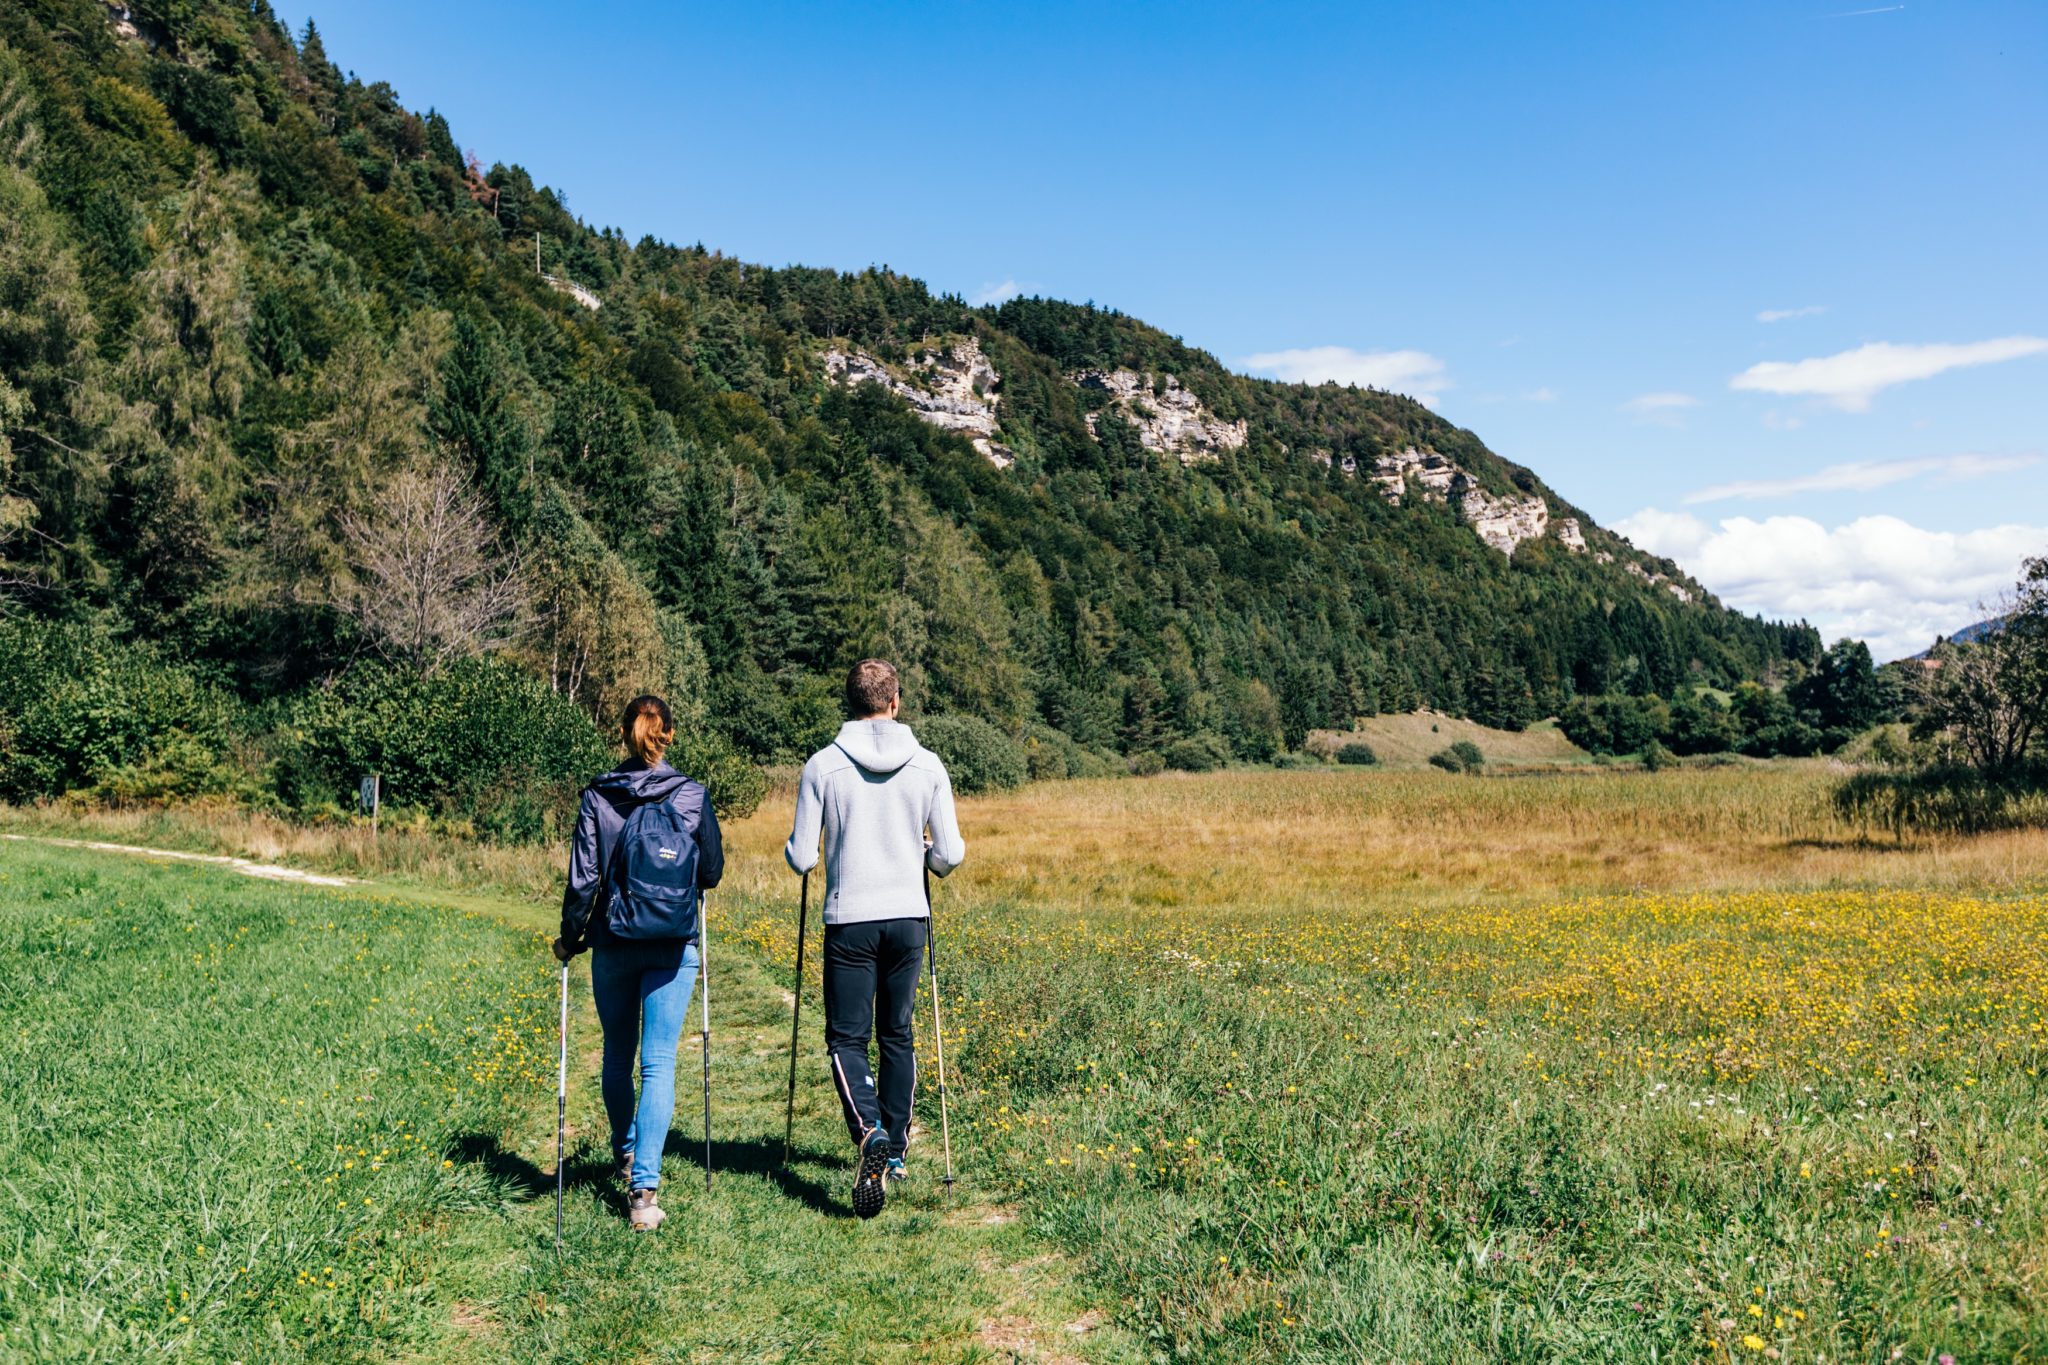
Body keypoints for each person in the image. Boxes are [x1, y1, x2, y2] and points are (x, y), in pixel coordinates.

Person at [785, 658, 965, 1218]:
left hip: (850, 916)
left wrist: (811, 851)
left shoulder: (823, 765)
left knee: (845, 1037)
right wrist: (926, 856)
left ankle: (868, 1132)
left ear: (850, 702)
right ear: (895, 701)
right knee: (898, 1034)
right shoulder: (929, 765)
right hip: (909, 914)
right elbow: (951, 854)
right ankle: (896, 1150)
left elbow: (800, 856)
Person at [555, 694, 723, 1232]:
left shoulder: (599, 795)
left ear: (624, 731)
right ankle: (643, 1193)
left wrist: (570, 937)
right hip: (674, 944)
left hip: (613, 940)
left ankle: (625, 1152)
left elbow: (584, 879)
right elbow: (713, 872)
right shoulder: (692, 796)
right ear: (668, 733)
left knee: (616, 1052)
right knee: (658, 1063)